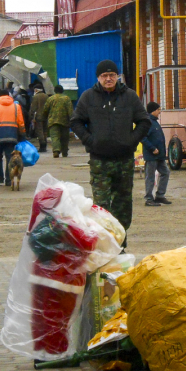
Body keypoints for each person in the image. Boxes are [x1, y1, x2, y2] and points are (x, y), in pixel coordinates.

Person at [71, 60, 150, 246]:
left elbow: (144, 121)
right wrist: (91, 141)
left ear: (117, 77)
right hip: (100, 161)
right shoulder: (88, 97)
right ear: (98, 78)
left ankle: (120, 243)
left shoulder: (129, 96)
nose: (108, 79)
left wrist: (131, 141)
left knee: (123, 203)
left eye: (112, 75)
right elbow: (75, 121)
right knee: (102, 205)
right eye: (104, 76)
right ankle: (105, 245)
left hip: (124, 160)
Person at [0, 89, 26, 186]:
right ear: (9, 96)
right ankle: (9, 180)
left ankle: (0, 178)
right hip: (12, 136)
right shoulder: (16, 106)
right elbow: (21, 123)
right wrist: (23, 135)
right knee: (9, 158)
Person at [142, 102, 171, 207]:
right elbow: (143, 138)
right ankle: (149, 198)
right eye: (158, 109)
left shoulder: (155, 122)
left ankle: (160, 195)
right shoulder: (148, 123)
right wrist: (152, 148)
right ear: (153, 111)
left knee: (165, 172)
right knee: (150, 177)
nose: (159, 111)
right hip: (152, 156)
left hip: (160, 156)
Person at [43, 85, 73, 158]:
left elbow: (45, 109)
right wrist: (72, 119)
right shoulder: (66, 98)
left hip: (53, 121)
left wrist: (45, 117)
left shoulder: (50, 99)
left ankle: (56, 150)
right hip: (64, 121)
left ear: (55, 91)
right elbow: (70, 110)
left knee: (54, 137)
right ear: (62, 90)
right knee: (65, 137)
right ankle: (64, 152)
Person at [29, 87, 48, 153]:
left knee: (39, 131)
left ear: (36, 90)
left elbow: (33, 108)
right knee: (45, 131)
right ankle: (45, 145)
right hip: (46, 116)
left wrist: (31, 116)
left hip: (38, 117)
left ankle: (42, 146)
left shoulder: (35, 97)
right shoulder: (46, 96)